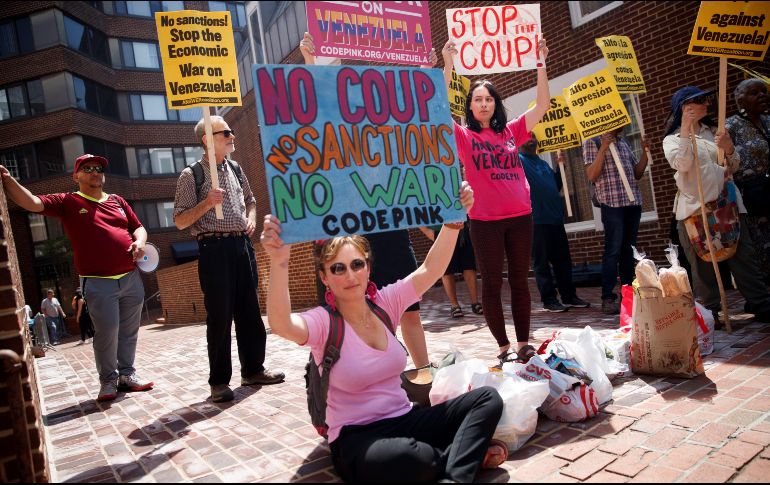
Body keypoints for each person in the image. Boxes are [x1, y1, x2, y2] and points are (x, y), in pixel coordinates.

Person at [260, 183, 508, 483]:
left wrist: (454, 222)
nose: (350, 275)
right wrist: (279, 261)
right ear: (325, 277)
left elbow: (430, 270)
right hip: (357, 438)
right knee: (412, 458)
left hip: (405, 418)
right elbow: (282, 324)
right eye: (338, 269)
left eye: (356, 265)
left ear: (368, 267)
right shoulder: (324, 322)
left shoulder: (385, 303)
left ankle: (452, 473)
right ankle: (460, 459)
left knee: (487, 400)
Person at [298, 32, 432, 367]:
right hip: (356, 237)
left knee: (409, 310)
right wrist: (310, 62)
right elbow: (315, 113)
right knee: (365, 314)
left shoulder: (392, 132)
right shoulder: (337, 135)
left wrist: (429, 70)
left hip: (392, 230)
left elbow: (424, 115)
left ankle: (424, 373)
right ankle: (379, 375)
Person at [1, 154, 153, 401]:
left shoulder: (117, 201)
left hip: (130, 277)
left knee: (129, 330)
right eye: (88, 168)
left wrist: (140, 242)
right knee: (107, 331)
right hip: (98, 281)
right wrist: (8, 180)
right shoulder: (68, 201)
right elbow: (30, 203)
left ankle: (127, 375)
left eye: (99, 168)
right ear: (76, 176)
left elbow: (138, 227)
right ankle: (108, 381)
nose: (95, 172)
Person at [441, 38, 550, 364]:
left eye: (489, 98)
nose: (484, 103)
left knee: (520, 280)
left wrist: (541, 62)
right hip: (485, 221)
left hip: (520, 218)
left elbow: (542, 104)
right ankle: (503, 347)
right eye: (478, 99)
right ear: (470, 107)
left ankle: (522, 344)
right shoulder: (464, 136)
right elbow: (435, 110)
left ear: (496, 104)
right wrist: (448, 64)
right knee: (492, 283)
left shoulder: (513, 132)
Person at [174, 115, 284, 403]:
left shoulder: (235, 167)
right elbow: (180, 220)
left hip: (241, 246)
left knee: (249, 310)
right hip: (214, 249)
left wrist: (250, 220)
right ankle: (219, 382)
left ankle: (253, 369)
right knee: (220, 316)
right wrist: (207, 203)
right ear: (207, 140)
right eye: (226, 132)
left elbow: (251, 200)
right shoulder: (191, 175)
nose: (232, 136)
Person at [662, 85, 770, 323]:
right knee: (703, 265)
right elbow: (682, 164)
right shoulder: (672, 139)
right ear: (684, 107)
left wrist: (729, 149)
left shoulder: (715, 131)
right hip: (694, 209)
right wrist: (686, 130)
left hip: (727, 203)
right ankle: (710, 312)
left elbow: (733, 167)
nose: (707, 103)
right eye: (700, 100)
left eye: (706, 98)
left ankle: (761, 303)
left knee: (744, 257)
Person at [583, 125, 650, 315]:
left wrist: (645, 152)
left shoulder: (625, 143)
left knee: (628, 251)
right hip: (612, 205)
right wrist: (603, 147)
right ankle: (608, 296)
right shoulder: (593, 142)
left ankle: (627, 293)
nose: (625, 122)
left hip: (632, 203)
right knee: (612, 251)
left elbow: (637, 173)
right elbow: (591, 175)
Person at [519, 138, 591, 312]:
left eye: (532, 136)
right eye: (525, 135)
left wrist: (560, 168)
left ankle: (569, 296)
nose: (530, 139)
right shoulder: (518, 161)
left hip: (555, 219)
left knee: (563, 262)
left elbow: (556, 185)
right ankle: (549, 299)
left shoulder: (543, 163)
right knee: (542, 263)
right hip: (536, 220)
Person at [726, 78, 770, 284]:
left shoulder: (768, 121)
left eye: (764, 91)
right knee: (760, 246)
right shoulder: (731, 126)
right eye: (755, 92)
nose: (762, 95)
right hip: (752, 197)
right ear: (741, 101)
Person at [419, 223, 483, 318]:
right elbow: (419, 211)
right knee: (447, 270)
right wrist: (427, 231)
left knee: (469, 266)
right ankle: (454, 305)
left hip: (462, 229)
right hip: (440, 230)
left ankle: (475, 303)